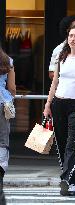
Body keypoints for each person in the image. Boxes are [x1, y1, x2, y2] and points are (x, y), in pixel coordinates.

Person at [43, 24, 75, 196]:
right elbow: (55, 82)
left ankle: (65, 178)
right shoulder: (62, 56)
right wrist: (48, 104)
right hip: (59, 103)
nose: (72, 39)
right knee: (62, 144)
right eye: (70, 36)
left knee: (73, 144)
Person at [0, 46, 16, 204]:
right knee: (3, 140)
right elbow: (12, 87)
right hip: (2, 103)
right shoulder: (7, 61)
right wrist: (9, 98)